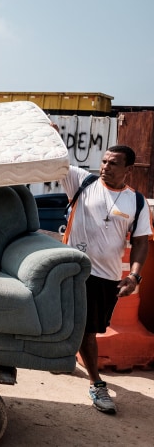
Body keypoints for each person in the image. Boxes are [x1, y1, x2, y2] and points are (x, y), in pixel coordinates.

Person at [60, 141, 152, 414]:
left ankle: (72, 363)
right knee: (74, 325)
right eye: (104, 161)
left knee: (89, 329)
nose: (105, 167)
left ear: (128, 169)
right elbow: (58, 159)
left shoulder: (135, 201)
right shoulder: (81, 182)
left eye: (113, 163)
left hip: (105, 278)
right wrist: (50, 132)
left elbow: (141, 242)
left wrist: (134, 276)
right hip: (72, 268)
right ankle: (96, 383)